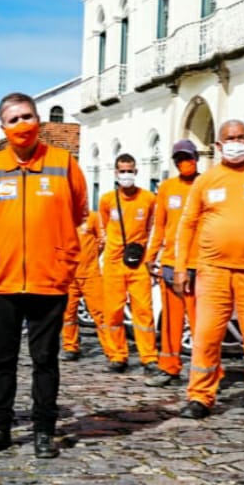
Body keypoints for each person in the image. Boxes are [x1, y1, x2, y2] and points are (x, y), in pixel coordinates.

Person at [0, 92, 87, 459]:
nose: (22, 125)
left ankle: (43, 430)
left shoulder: (63, 163)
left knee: (45, 360)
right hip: (2, 279)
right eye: (14, 119)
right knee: (1, 361)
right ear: (2, 127)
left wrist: (63, 256)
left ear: (38, 121)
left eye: (28, 117)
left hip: (48, 277)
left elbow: (79, 212)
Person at [174, 119, 244, 421]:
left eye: (241, 137)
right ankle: (200, 396)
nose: (235, 142)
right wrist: (181, 267)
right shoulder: (206, 181)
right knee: (206, 337)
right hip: (212, 271)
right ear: (219, 145)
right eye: (229, 138)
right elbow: (188, 225)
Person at [145, 140, 202, 388]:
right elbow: (160, 225)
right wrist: (151, 255)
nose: (184, 163)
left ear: (196, 158)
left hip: (197, 264)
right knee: (170, 322)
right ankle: (169, 367)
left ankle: (206, 373)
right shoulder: (167, 188)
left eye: (187, 158)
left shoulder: (206, 184)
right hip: (169, 263)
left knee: (201, 325)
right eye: (179, 159)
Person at [100, 154, 158, 375]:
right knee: (112, 312)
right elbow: (105, 225)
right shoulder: (107, 200)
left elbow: (152, 227)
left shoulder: (148, 199)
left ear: (136, 171)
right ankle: (117, 355)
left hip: (138, 262)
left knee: (143, 311)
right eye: (122, 171)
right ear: (116, 173)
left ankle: (149, 357)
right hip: (114, 262)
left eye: (130, 170)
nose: (126, 174)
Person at [61, 210, 115, 363]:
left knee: (101, 314)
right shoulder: (63, 217)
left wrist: (91, 257)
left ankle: (112, 351)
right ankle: (70, 347)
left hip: (90, 274)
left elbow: (101, 241)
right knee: (68, 314)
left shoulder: (92, 217)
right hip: (69, 274)